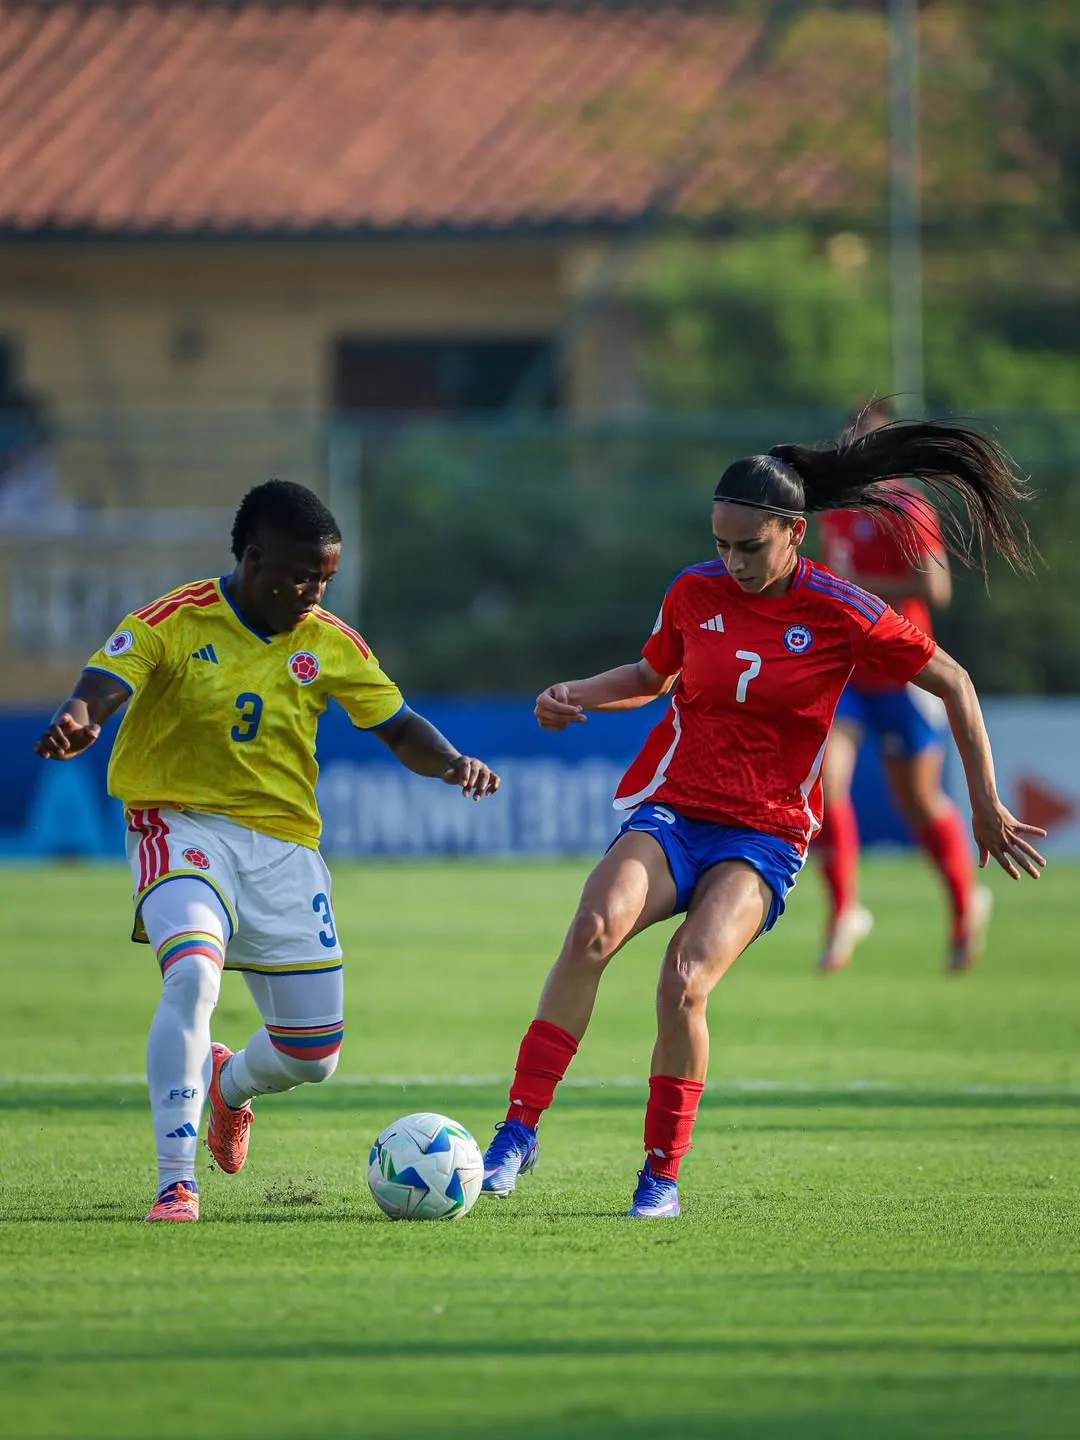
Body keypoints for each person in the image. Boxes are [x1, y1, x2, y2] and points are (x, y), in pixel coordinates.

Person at [478, 416, 1044, 1220]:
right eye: (721, 545)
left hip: (766, 833)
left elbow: (953, 680)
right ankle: (517, 1131)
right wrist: (576, 694)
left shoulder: (841, 608)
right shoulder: (694, 591)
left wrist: (985, 801)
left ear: (792, 534)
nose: (732, 562)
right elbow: (651, 672)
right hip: (677, 810)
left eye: (749, 546)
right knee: (592, 930)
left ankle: (660, 1176)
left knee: (684, 982)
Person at [34, 479, 500, 1223]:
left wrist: (451, 762)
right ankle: (174, 1180)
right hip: (178, 825)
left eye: (326, 577)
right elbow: (105, 680)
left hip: (284, 850)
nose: (314, 591)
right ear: (253, 560)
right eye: (300, 575)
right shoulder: (176, 619)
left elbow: (399, 725)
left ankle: (228, 1087)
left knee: (313, 1054)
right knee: (192, 975)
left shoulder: (330, 641)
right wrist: (79, 717)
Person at [815, 399, 989, 973]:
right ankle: (846, 911)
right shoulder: (834, 510)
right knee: (822, 782)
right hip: (847, 670)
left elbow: (934, 589)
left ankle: (966, 907)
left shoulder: (908, 506)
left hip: (902, 667)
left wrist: (855, 585)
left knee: (916, 802)